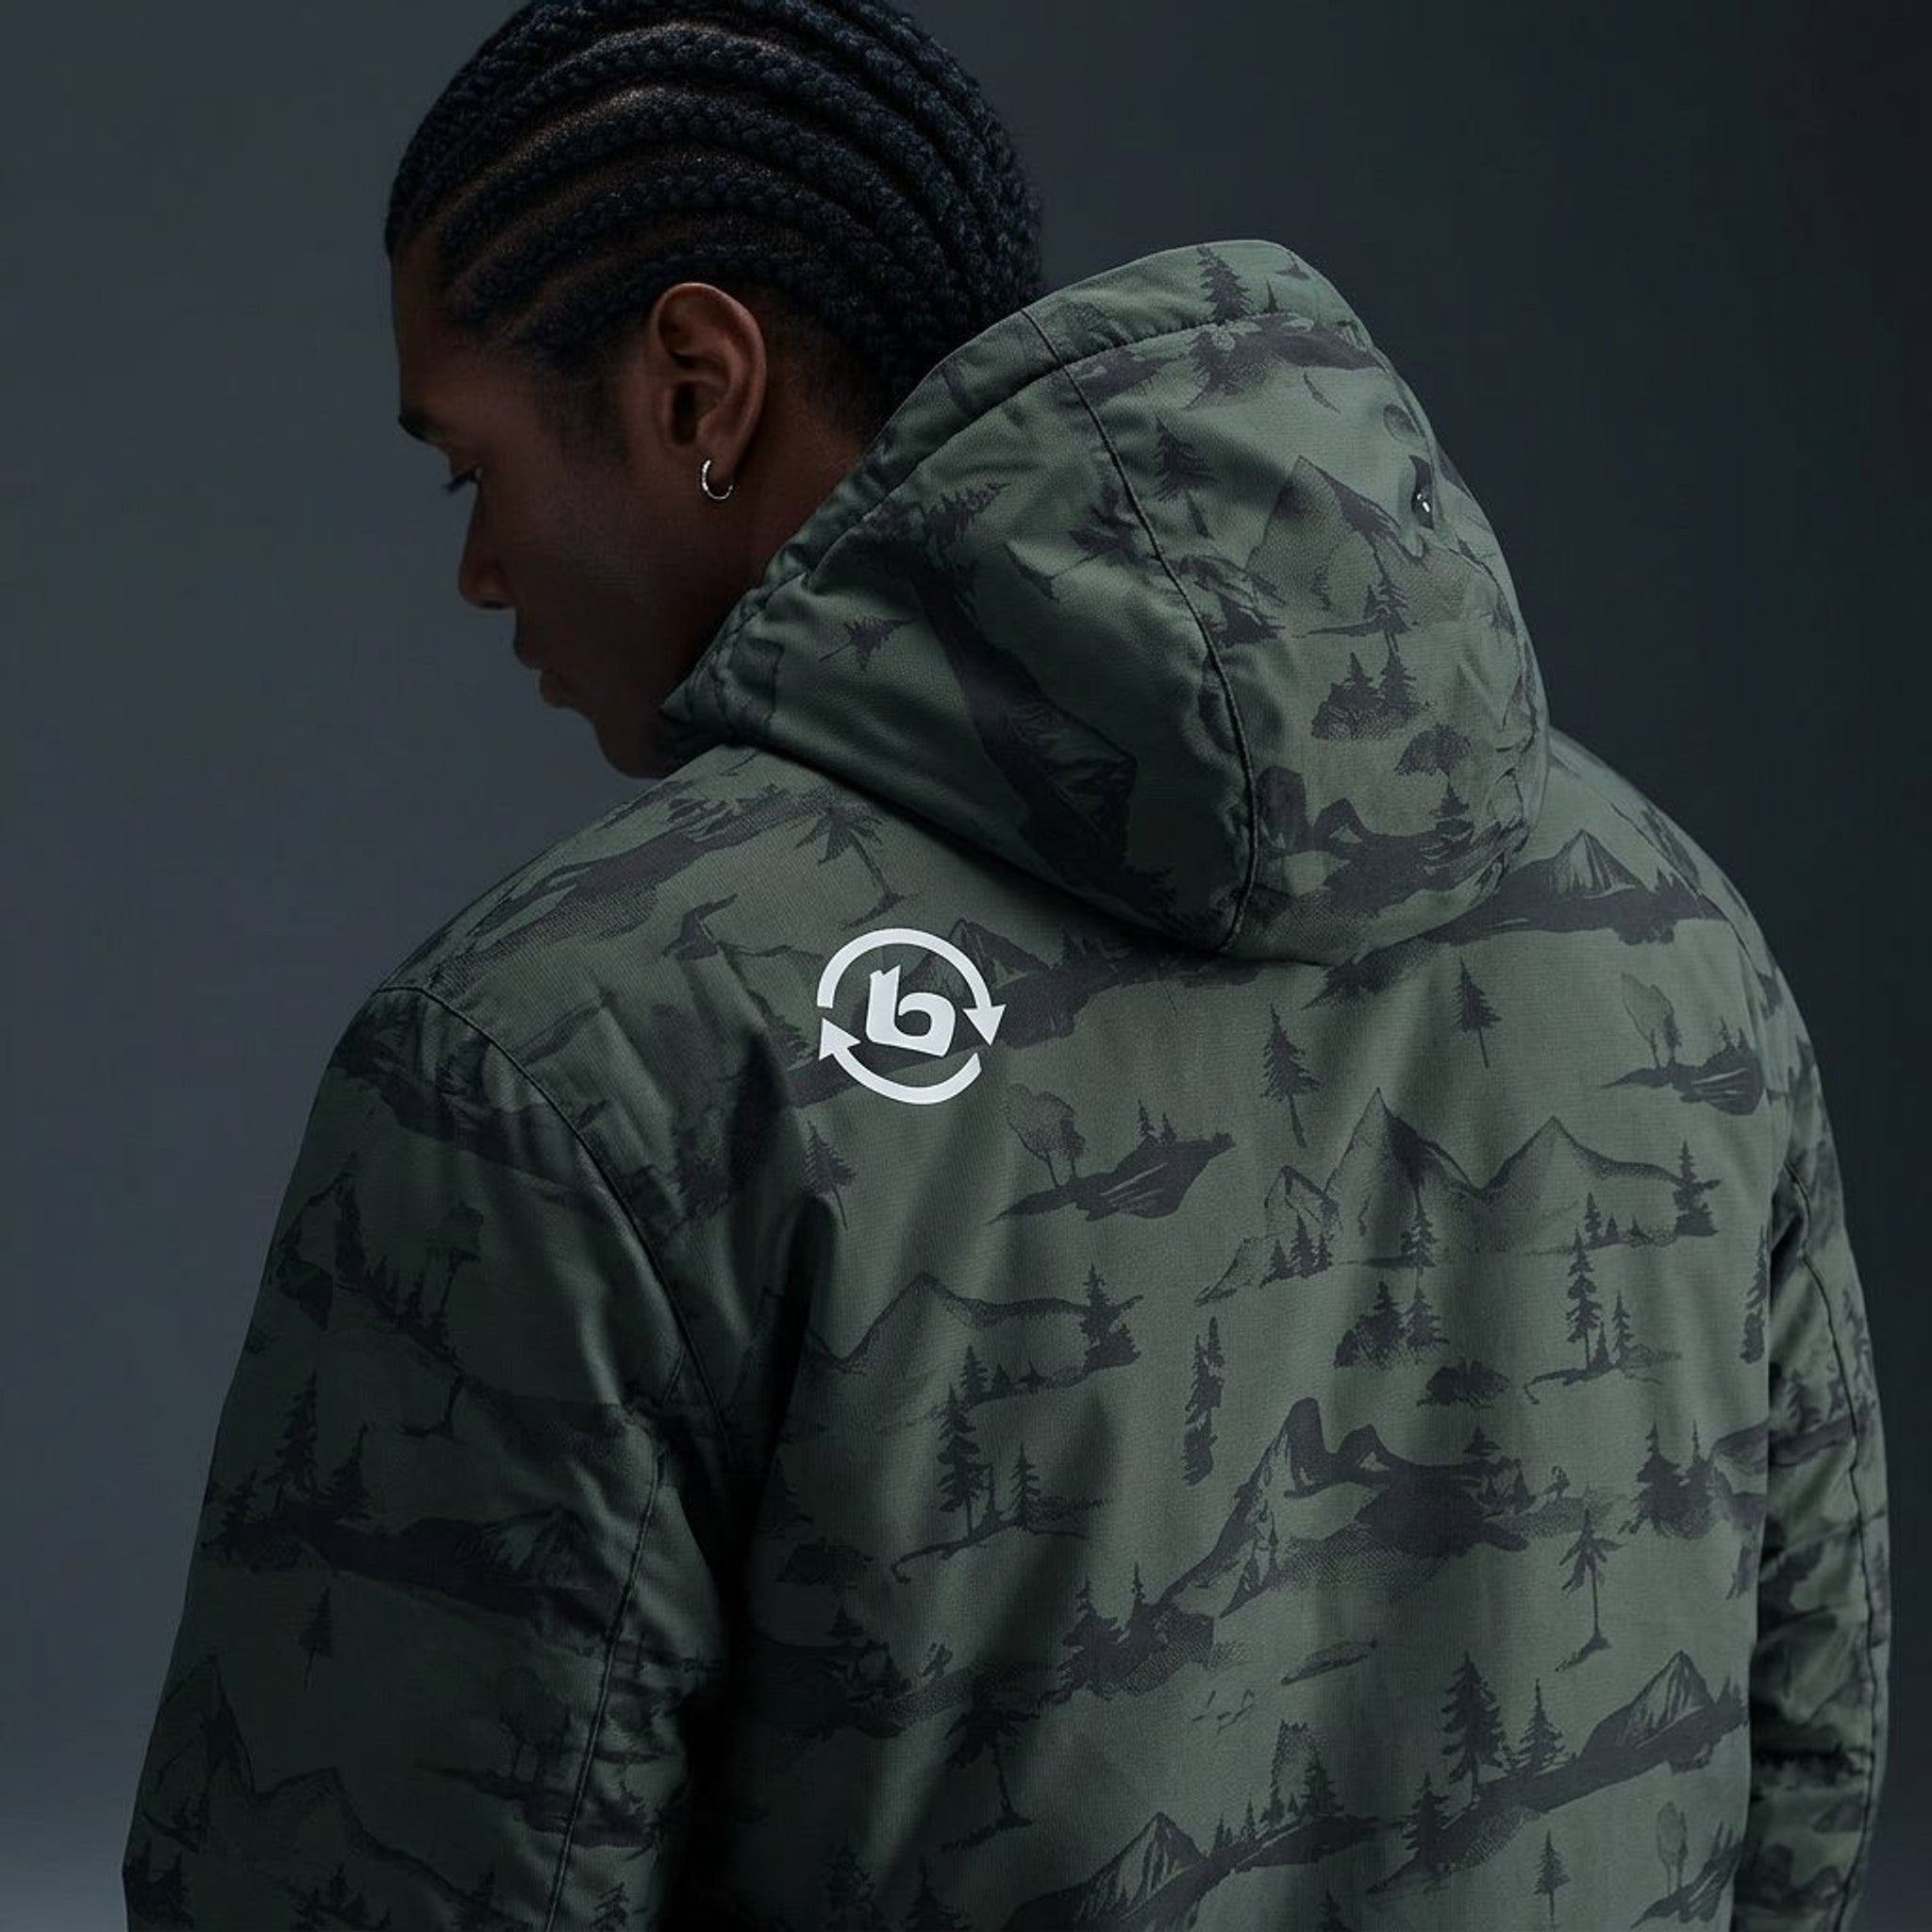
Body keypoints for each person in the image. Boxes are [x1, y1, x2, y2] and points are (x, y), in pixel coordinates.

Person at [121, 4, 1890, 1928]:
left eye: (466, 469)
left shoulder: (563, 1053)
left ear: (698, 386)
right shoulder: (1672, 930)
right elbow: (1797, 1760)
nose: (478, 568)